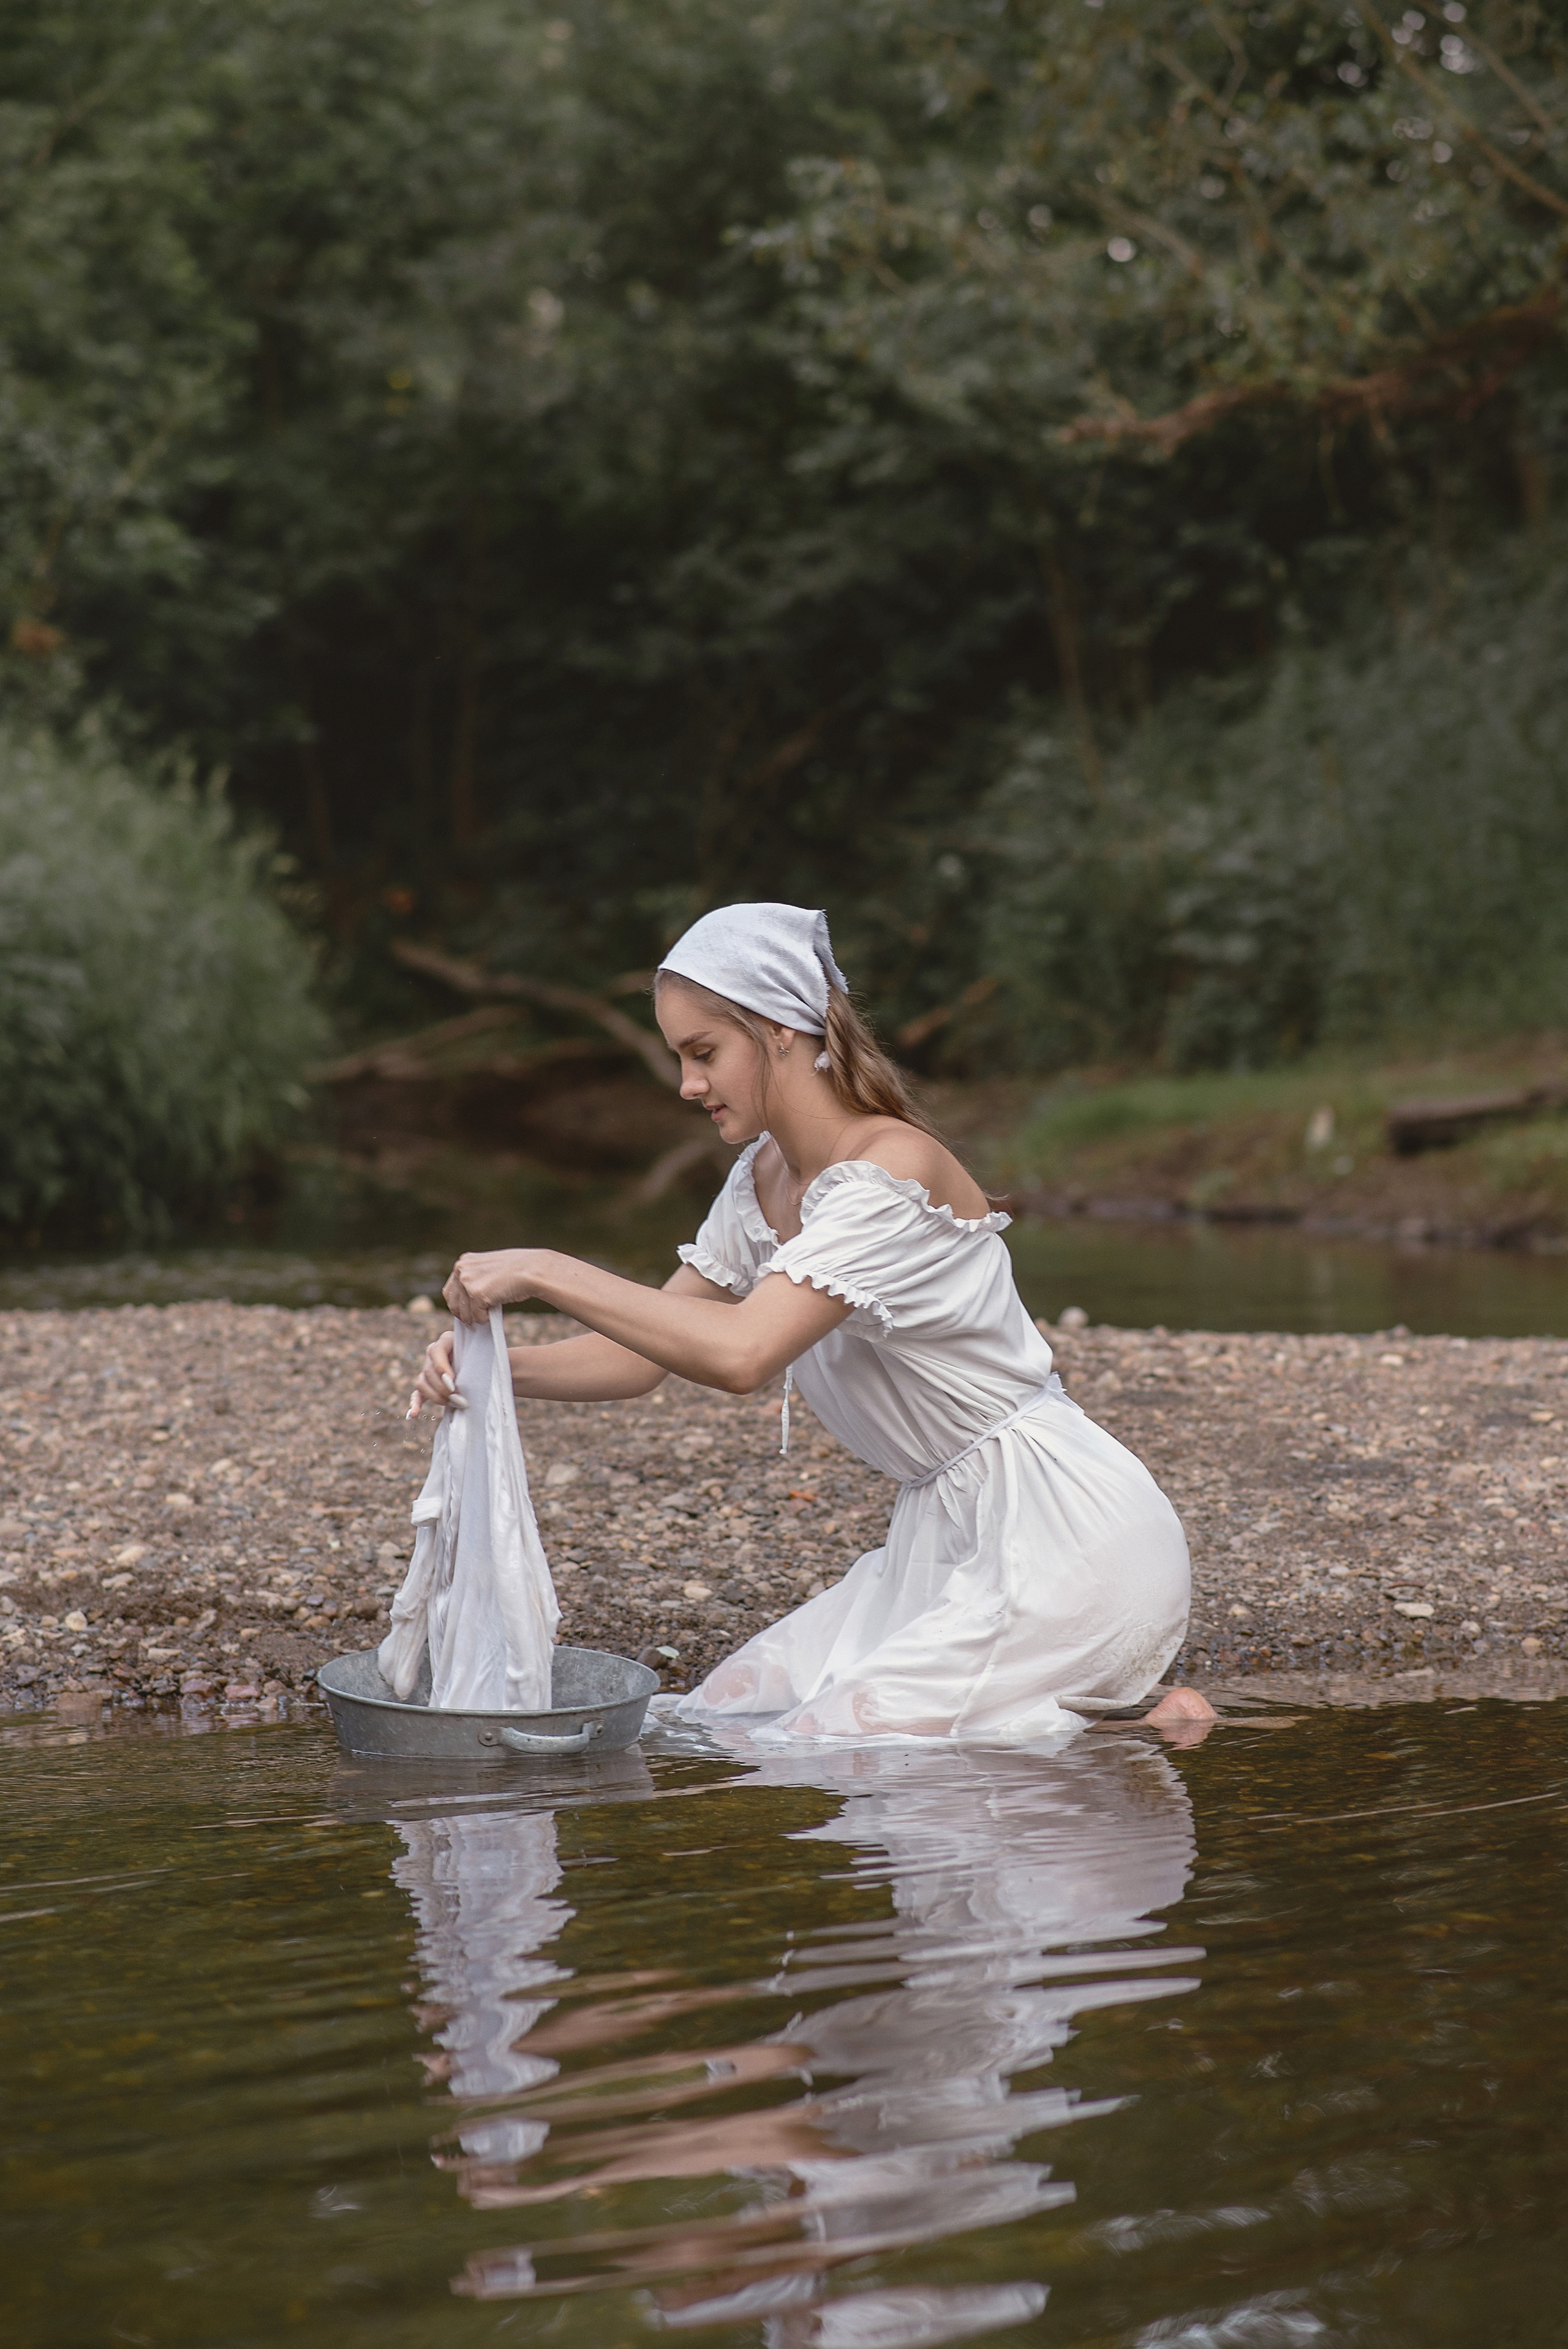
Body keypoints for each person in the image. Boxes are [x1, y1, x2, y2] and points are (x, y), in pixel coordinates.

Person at [409, 901, 1214, 1744]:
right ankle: (1119, 1713)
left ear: (778, 1031)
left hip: (1067, 1534)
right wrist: (492, 1365)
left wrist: (545, 1268)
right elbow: (643, 1356)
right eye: (680, 1056)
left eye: (703, 1052)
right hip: (942, 1542)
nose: (687, 1084)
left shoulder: (888, 1172)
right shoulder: (759, 1180)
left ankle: (1134, 1716)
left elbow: (743, 1353)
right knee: (723, 1715)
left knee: (834, 1740)